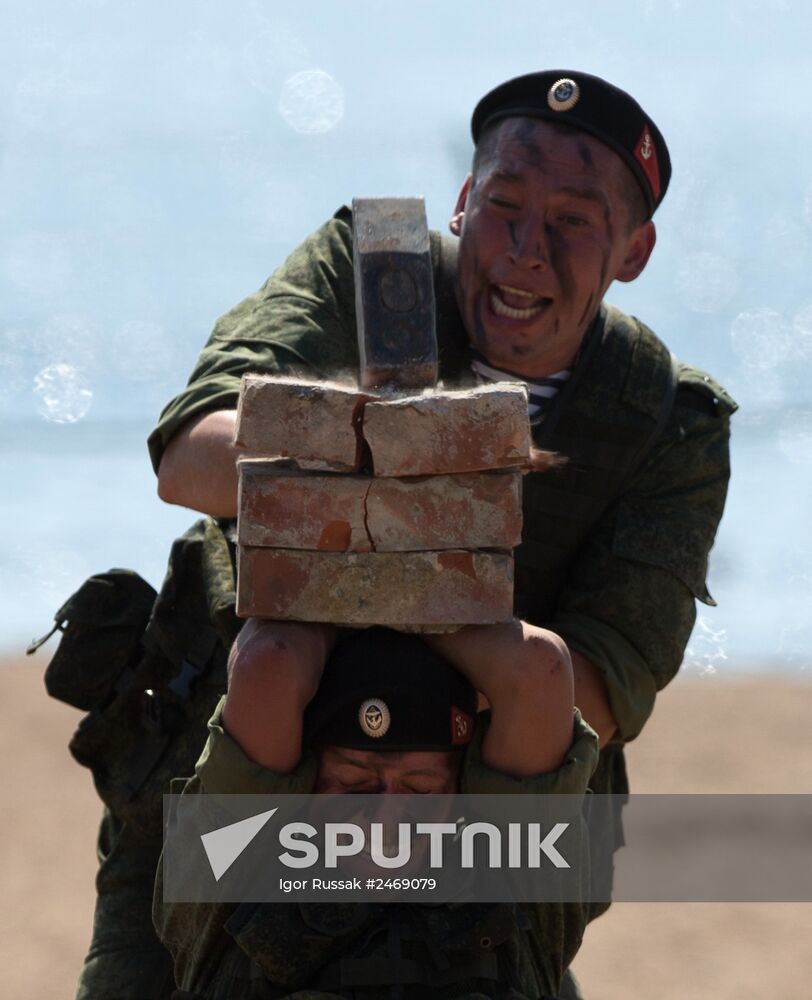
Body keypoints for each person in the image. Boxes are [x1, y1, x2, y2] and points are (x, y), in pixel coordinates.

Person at [72, 69, 736, 998]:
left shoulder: (665, 419)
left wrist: (359, 539)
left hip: (471, 853)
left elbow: (595, 690)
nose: (526, 249)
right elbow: (191, 458)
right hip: (220, 792)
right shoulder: (370, 272)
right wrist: (397, 467)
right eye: (504, 204)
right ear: (465, 201)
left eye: (575, 221)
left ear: (636, 249)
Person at [154, 624, 599, 999]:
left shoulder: (512, 877)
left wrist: (404, 607)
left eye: (421, 789)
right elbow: (269, 664)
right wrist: (364, 597)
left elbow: (538, 667)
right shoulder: (233, 874)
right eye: (354, 784)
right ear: (302, 783)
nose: (386, 819)